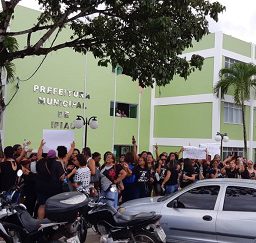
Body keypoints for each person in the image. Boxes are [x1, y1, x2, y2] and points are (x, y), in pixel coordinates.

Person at [35, 148, 65, 219]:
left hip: (41, 188)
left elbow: (39, 155)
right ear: (55, 156)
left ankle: (40, 222)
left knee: (42, 205)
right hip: (54, 188)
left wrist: (41, 146)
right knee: (54, 205)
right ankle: (53, 222)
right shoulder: (57, 163)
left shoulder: (40, 162)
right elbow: (62, 177)